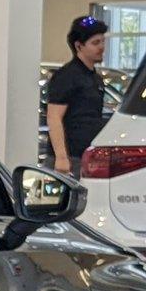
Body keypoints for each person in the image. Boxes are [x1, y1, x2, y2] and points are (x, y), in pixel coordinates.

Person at [45, 15, 109, 177]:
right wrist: (61, 157)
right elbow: (54, 117)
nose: (102, 47)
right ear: (79, 46)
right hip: (68, 159)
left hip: (86, 156)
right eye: (95, 43)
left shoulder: (95, 78)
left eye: (102, 41)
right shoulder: (66, 76)